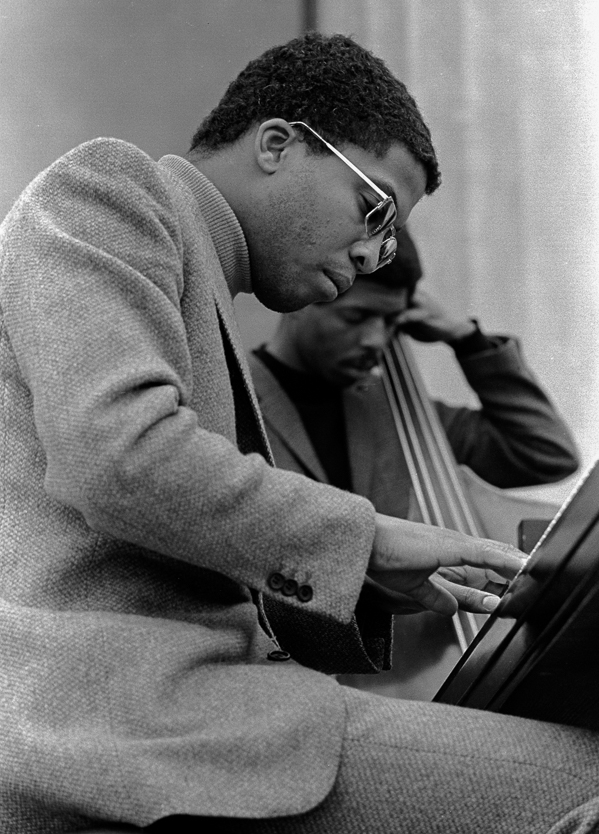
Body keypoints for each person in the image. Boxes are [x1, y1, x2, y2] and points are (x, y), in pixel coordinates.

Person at [0, 31, 598, 834]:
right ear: (278, 144)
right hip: (126, 715)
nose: (374, 252)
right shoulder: (108, 188)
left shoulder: (205, 281)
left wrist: (369, 582)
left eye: (387, 237)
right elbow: (120, 458)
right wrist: (366, 538)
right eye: (374, 207)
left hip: (191, 704)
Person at [249, 226, 580, 699]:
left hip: (415, 675)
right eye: (358, 316)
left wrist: (466, 338)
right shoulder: (235, 402)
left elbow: (545, 452)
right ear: (305, 301)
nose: (376, 340)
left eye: (392, 324)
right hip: (286, 674)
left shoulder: (408, 416)